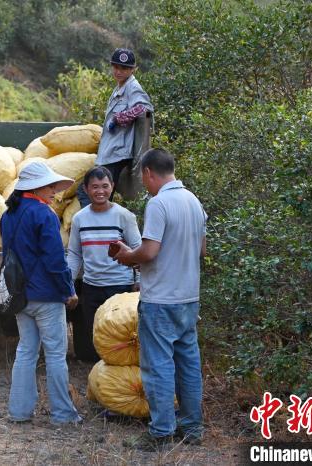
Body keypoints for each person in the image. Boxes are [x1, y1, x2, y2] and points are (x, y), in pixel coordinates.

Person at [113, 148, 207, 450]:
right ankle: (192, 429)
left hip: (160, 301)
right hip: (189, 298)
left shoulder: (159, 203)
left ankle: (161, 432)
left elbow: (150, 251)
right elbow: (201, 250)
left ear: (148, 173)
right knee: (188, 364)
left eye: (143, 177)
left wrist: (128, 256)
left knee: (158, 366)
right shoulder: (194, 202)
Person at [1, 162, 82, 425]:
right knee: (56, 354)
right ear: (36, 187)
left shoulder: (8, 215)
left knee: (26, 351)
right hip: (46, 296)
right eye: (50, 187)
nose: (54, 192)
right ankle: (63, 415)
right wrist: (68, 290)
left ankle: (19, 412)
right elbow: (55, 260)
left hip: (20, 296)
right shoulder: (44, 214)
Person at [66, 166, 141, 362]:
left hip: (120, 287)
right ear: (86, 189)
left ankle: (117, 374)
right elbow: (74, 254)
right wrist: (69, 285)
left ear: (113, 187)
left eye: (105, 186)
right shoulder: (79, 219)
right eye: (95, 187)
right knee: (97, 334)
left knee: (119, 334)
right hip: (92, 287)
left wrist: (140, 280)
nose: (100, 191)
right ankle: (99, 376)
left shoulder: (124, 216)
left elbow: (138, 249)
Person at [76, 48, 154, 207]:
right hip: (111, 152)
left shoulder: (133, 87)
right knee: (102, 193)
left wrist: (120, 118)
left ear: (133, 69)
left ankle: (96, 226)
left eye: (124, 68)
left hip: (117, 154)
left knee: (89, 191)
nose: (119, 71)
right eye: (116, 67)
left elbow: (144, 108)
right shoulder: (120, 87)